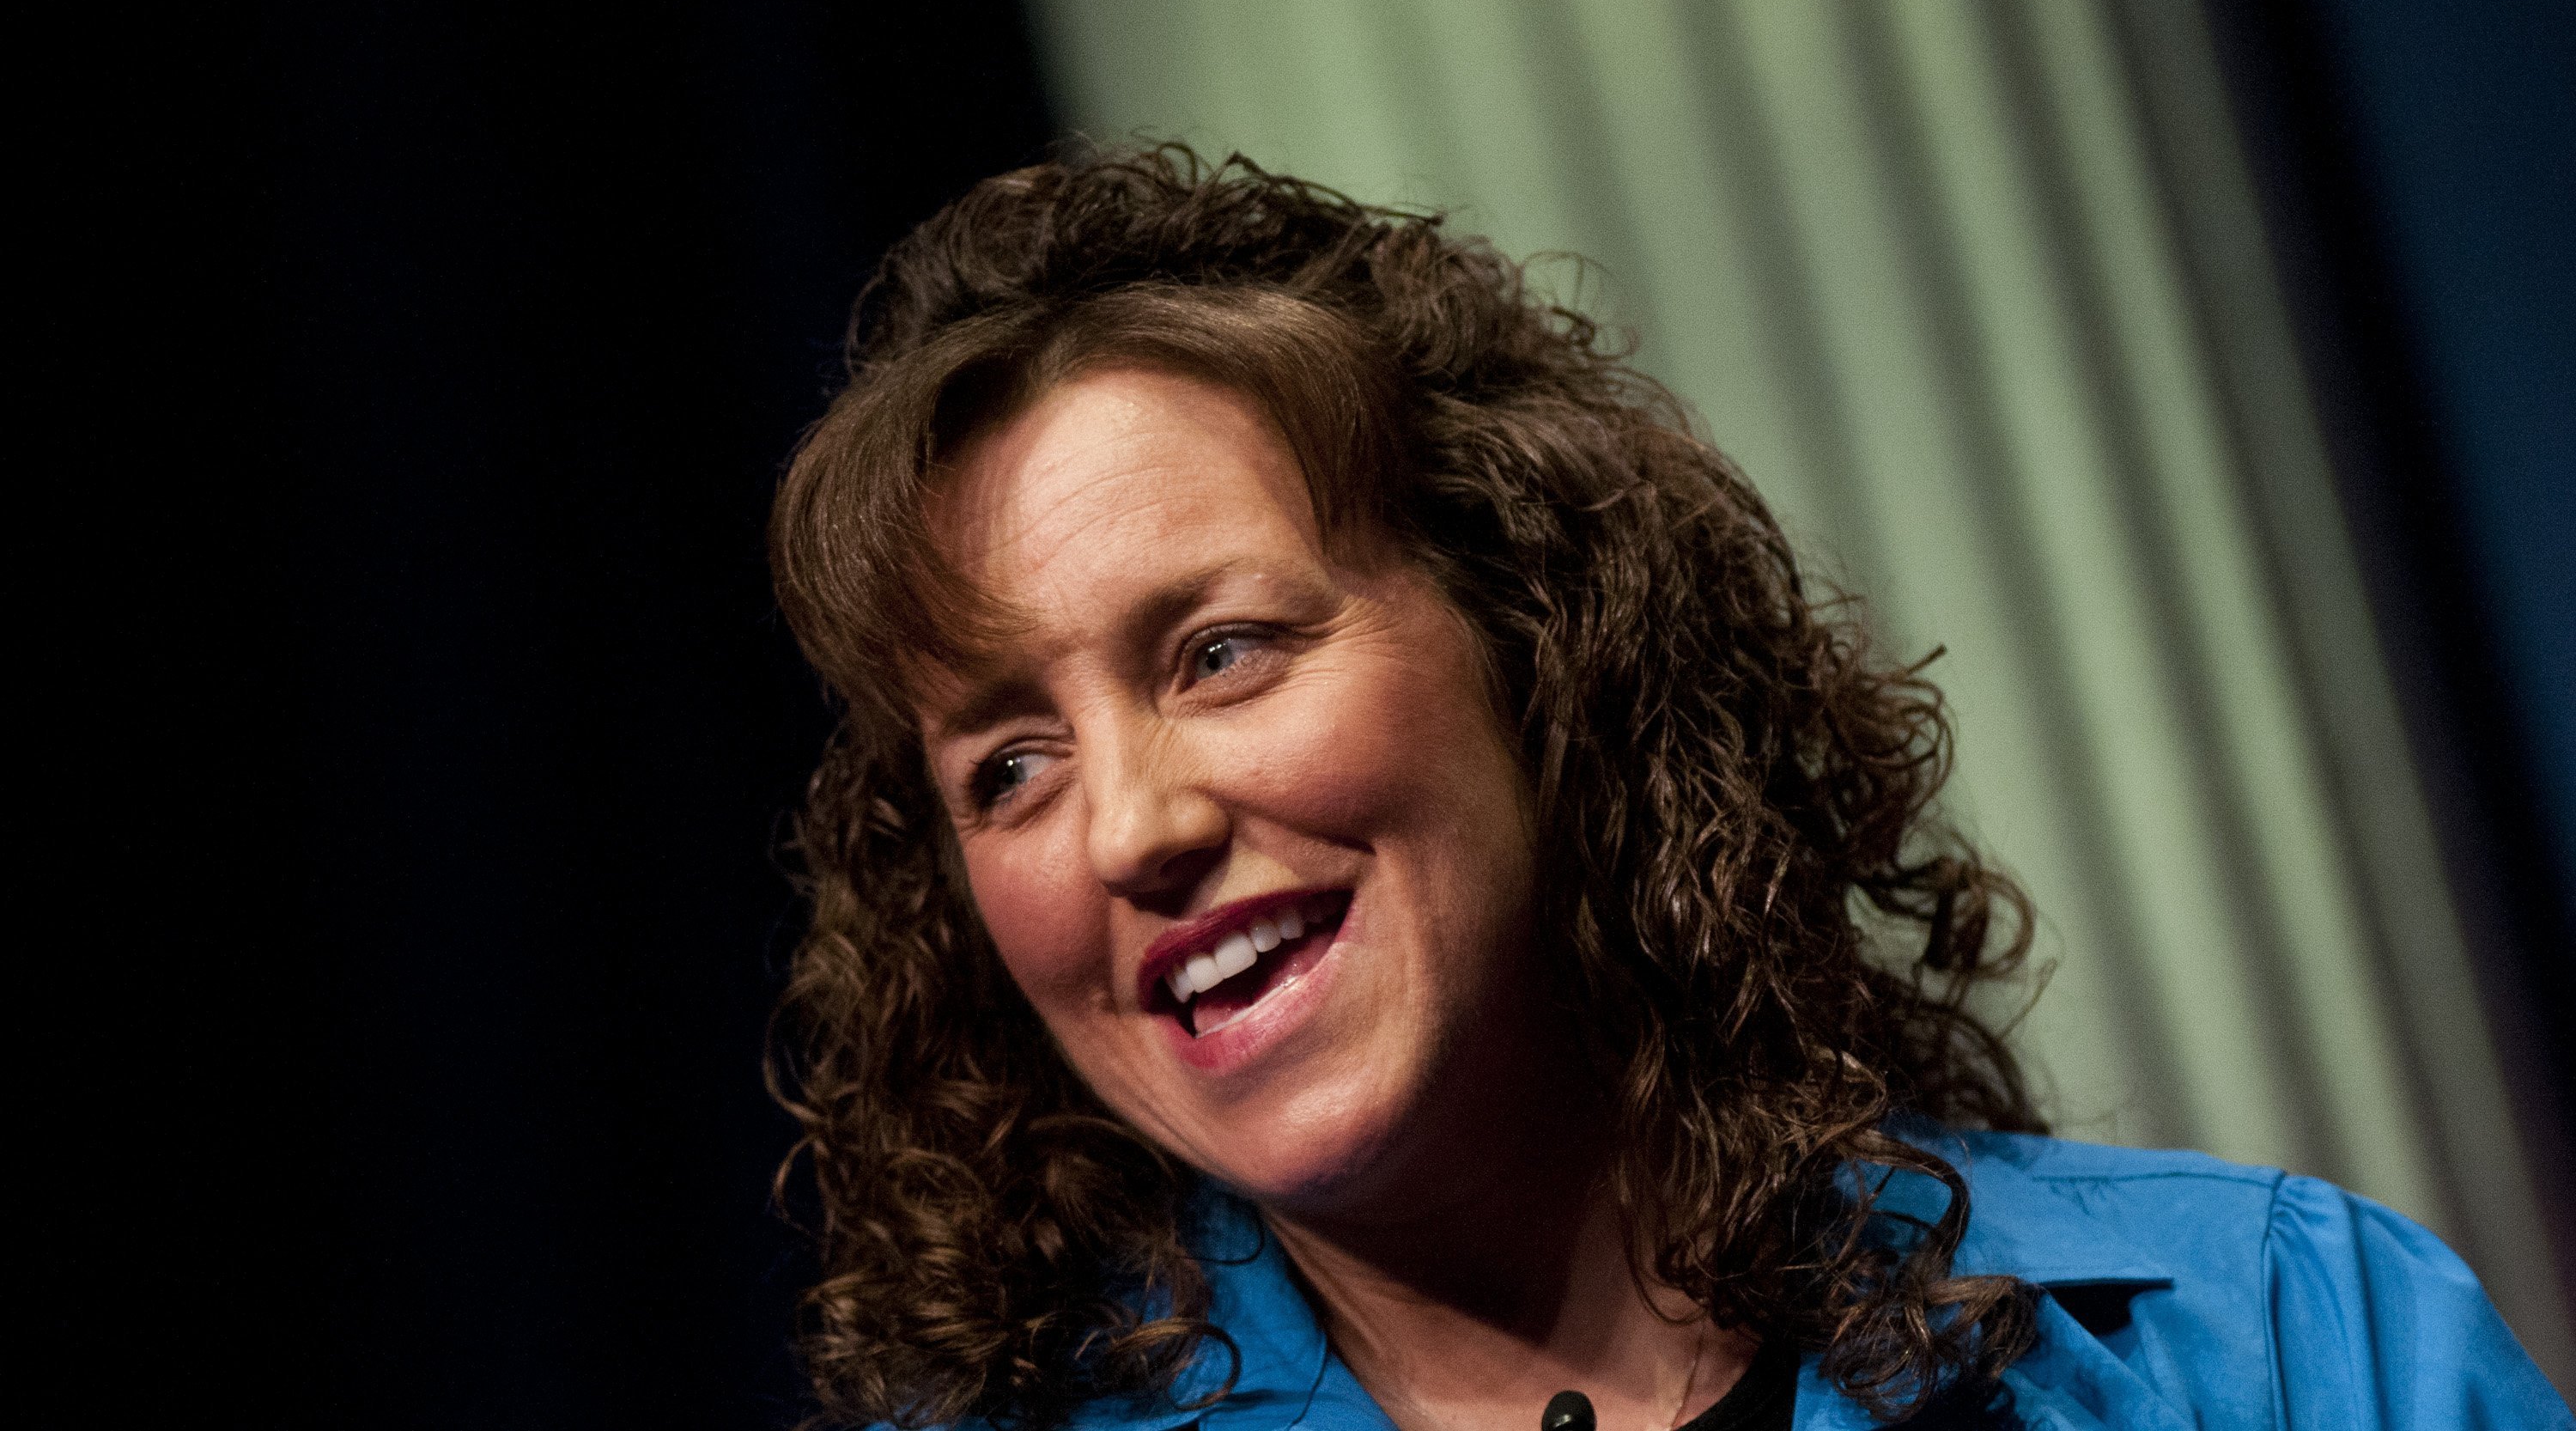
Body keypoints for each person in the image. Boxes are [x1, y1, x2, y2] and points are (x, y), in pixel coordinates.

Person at [766, 147, 2565, 1430]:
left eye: (1221, 650)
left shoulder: (2293, 1345)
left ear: (1536, 639)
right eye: (1008, 764)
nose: (1132, 823)